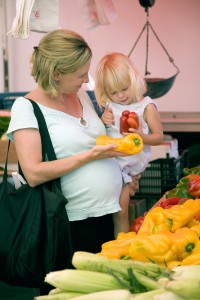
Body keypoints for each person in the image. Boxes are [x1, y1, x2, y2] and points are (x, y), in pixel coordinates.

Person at [7, 30, 141, 259]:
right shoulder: (26, 107)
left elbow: (98, 138)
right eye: (80, 75)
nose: (87, 80)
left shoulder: (81, 95)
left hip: (110, 214)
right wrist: (90, 156)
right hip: (68, 225)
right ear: (56, 73)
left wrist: (125, 170)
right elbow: (33, 173)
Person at [94, 52, 163, 237]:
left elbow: (158, 137)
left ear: (134, 79)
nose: (120, 96)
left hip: (128, 167)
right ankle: (117, 246)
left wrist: (141, 136)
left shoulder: (146, 106)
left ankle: (121, 248)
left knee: (121, 212)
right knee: (114, 211)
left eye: (124, 88)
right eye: (113, 92)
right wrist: (104, 120)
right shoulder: (110, 106)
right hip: (110, 162)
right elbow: (104, 132)